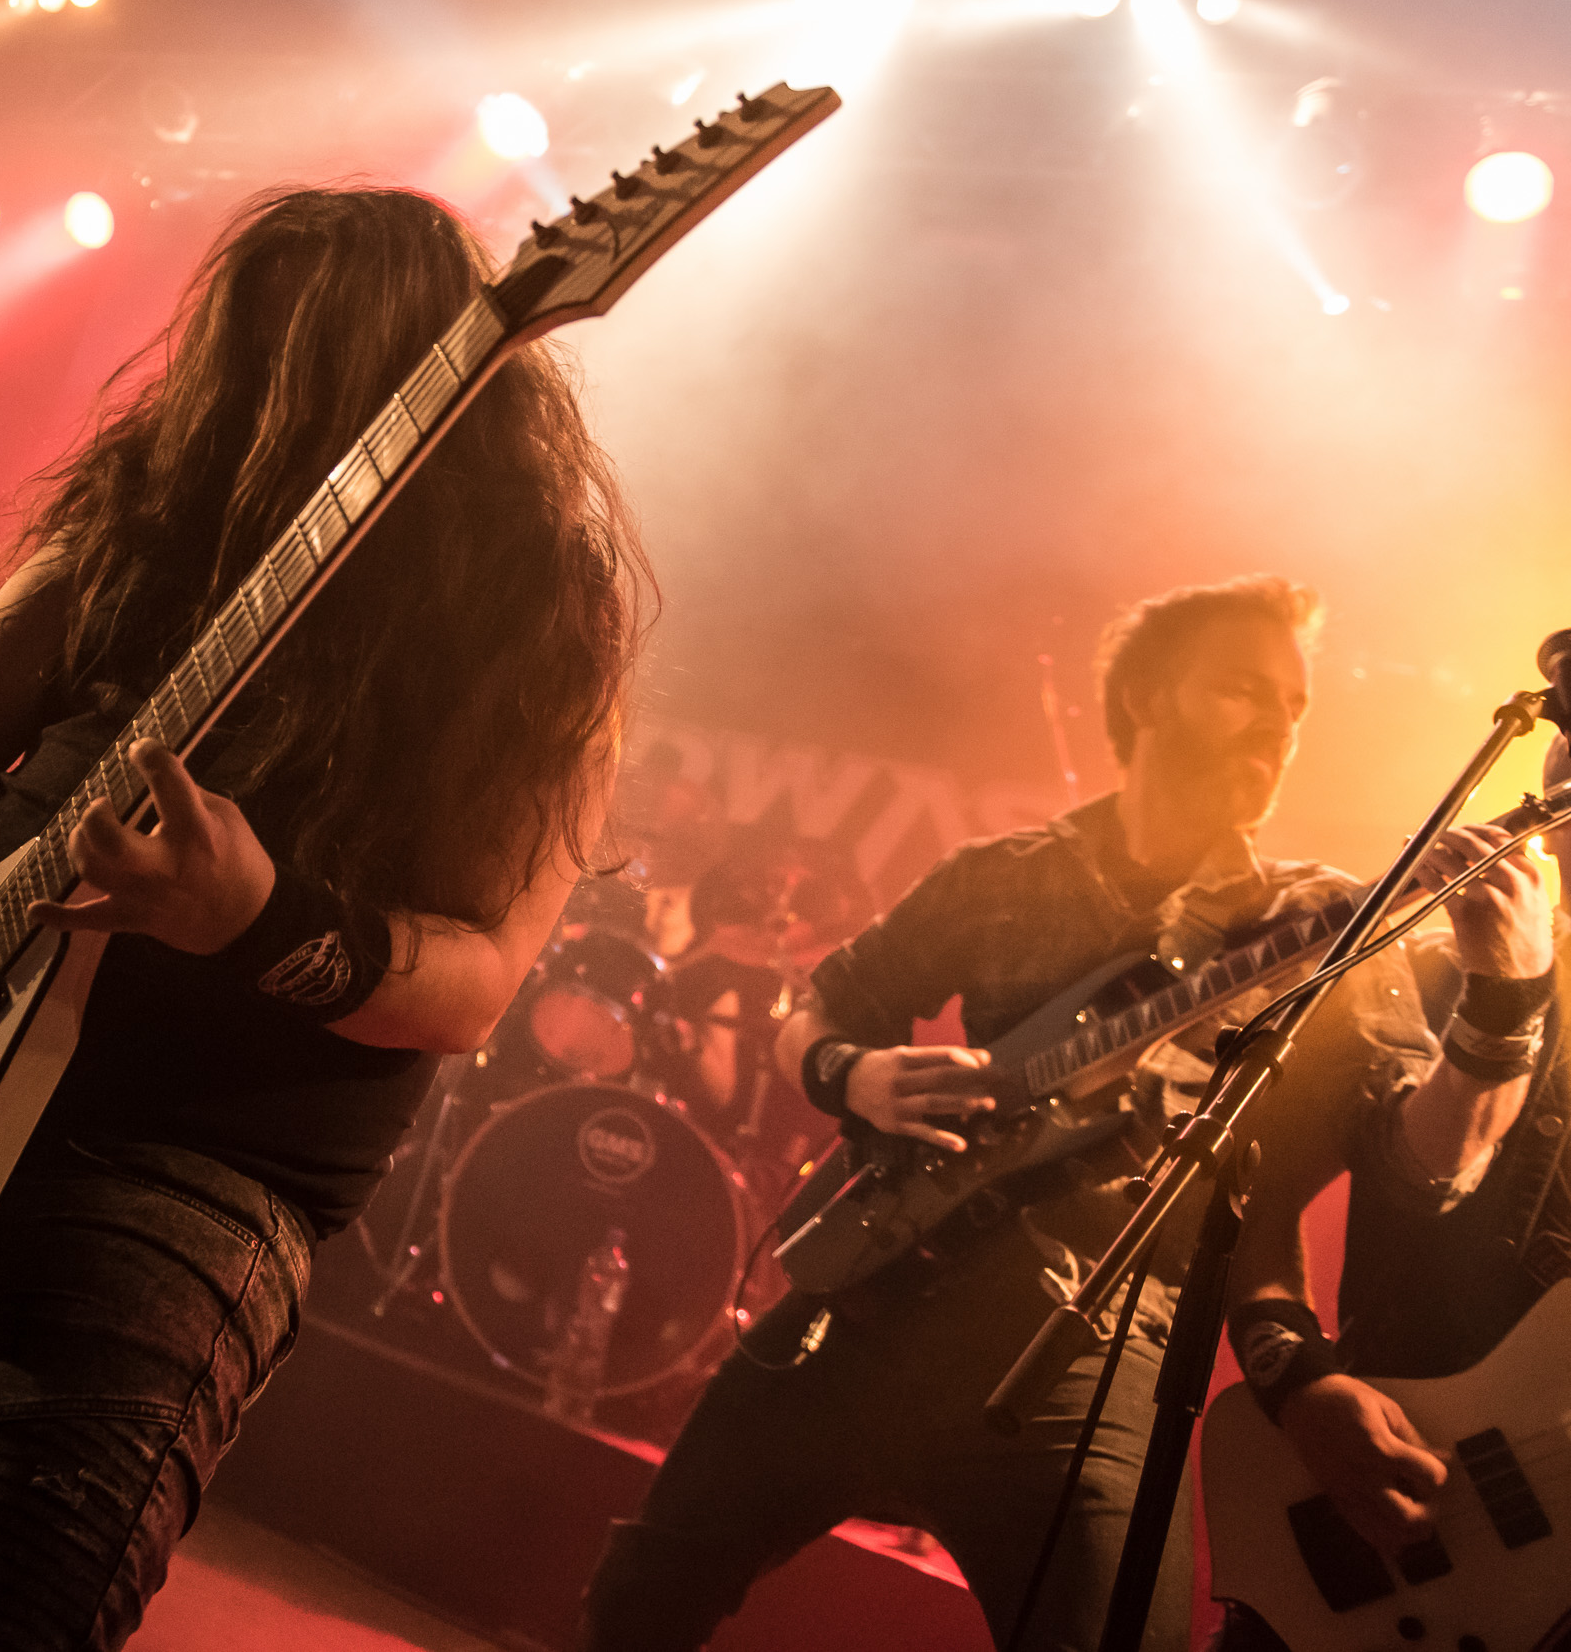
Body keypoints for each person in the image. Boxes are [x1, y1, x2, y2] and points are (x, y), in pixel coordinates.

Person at [0, 186, 649, 1650]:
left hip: (178, 1182)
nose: (264, 400)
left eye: (310, 360)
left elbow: (480, 979)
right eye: (251, 357)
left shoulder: (537, 612)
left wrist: (255, 917)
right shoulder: (157, 513)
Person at [579, 576, 1433, 1652]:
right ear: (1146, 698)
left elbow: (1395, 1159)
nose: (1276, 724)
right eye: (1241, 689)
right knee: (637, 1600)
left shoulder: (1313, 918)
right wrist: (850, 1073)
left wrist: (1502, 1001)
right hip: (871, 1300)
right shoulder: (1001, 876)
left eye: (1293, 705)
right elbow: (814, 1010)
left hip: (1084, 1357)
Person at [1221, 697, 1571, 1648]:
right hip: (1387, 1533)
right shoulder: (1424, 973)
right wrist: (1298, 1385)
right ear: (1551, 826)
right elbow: (1256, 1211)